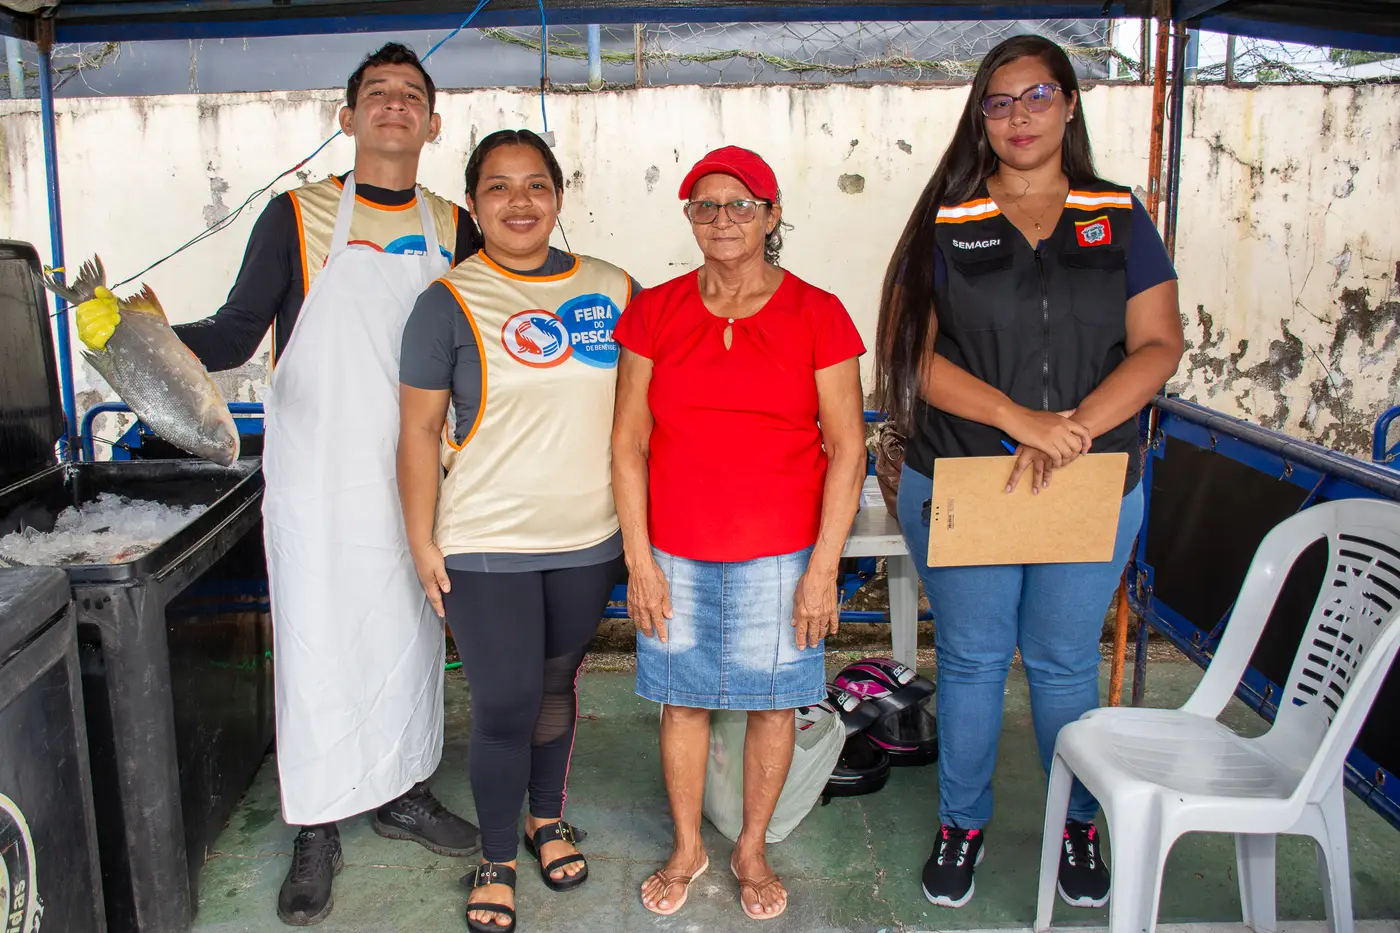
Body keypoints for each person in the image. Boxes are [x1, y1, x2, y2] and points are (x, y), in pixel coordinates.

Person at [74, 42, 485, 927]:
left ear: (432, 123)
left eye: (411, 95)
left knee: (411, 635)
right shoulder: (297, 215)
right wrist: (133, 336)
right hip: (319, 477)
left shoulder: (456, 226)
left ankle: (404, 789)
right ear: (347, 117)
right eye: (377, 92)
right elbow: (232, 335)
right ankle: (316, 825)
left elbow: (486, 335)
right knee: (317, 642)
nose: (394, 103)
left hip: (420, 473)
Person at [872, 35, 1185, 911]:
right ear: (981, 116)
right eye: (1000, 101)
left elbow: (1159, 343)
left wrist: (1074, 430)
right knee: (972, 660)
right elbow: (910, 355)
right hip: (968, 475)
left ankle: (1076, 821)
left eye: (1037, 96)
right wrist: (1023, 421)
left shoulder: (1118, 216)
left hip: (1090, 477)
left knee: (1061, 662)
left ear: (1070, 103)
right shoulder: (947, 218)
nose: (1019, 116)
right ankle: (962, 823)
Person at [611, 146, 867, 921]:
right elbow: (628, 442)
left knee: (773, 705)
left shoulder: (818, 312)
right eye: (705, 205)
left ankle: (751, 847)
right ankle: (688, 846)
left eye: (741, 204)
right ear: (689, 217)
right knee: (681, 703)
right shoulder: (655, 311)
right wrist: (639, 560)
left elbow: (848, 448)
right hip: (676, 550)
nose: (722, 218)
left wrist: (823, 568)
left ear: (771, 214)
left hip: (783, 554)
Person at [397, 128, 641, 933]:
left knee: (554, 684)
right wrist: (422, 541)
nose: (519, 202)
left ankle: (545, 815)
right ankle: (497, 855)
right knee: (504, 701)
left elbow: (646, 412)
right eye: (498, 187)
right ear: (473, 205)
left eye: (535, 184)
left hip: (588, 536)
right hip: (485, 540)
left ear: (559, 196)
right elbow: (417, 434)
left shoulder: (614, 288)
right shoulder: (448, 301)